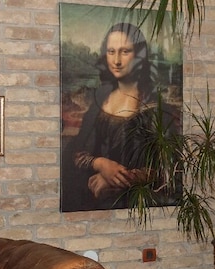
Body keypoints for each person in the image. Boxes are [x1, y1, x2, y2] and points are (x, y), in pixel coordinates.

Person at [61, 22, 179, 212]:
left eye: (125, 51)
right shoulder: (100, 99)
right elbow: (75, 152)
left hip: (138, 209)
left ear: (139, 56)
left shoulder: (156, 108)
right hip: (91, 207)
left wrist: (117, 179)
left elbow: (169, 169)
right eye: (111, 51)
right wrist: (101, 164)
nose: (116, 60)